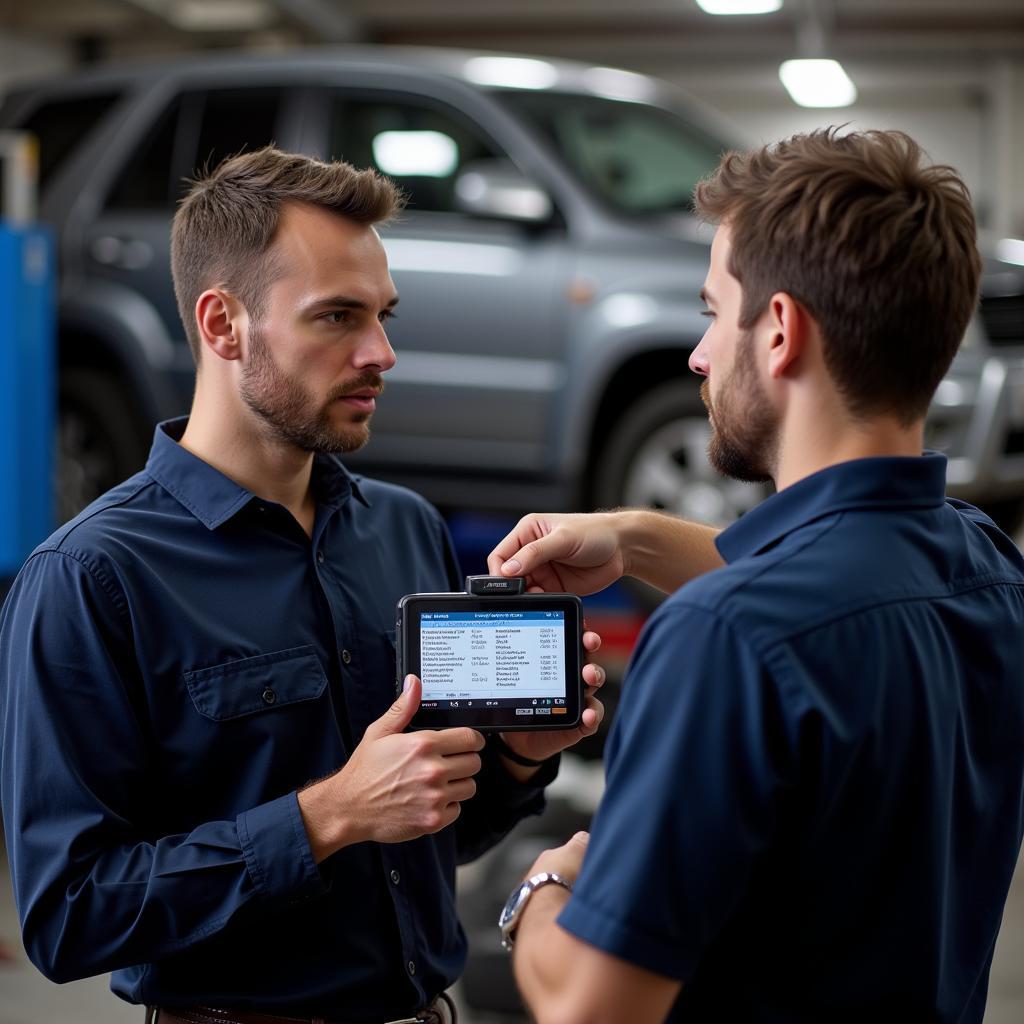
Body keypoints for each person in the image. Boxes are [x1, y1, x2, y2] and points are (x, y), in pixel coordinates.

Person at [0, 147, 605, 1024]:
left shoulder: (403, 528)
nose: (382, 353)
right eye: (337, 318)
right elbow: (68, 916)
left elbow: (436, 834)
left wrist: (513, 761)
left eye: (384, 316)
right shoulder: (91, 580)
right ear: (222, 325)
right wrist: (325, 816)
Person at [487, 128, 1024, 1024]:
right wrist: (632, 534)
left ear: (779, 332)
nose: (698, 356)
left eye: (709, 311)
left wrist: (538, 887)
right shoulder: (989, 571)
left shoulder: (720, 638)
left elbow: (592, 1008)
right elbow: (837, 585)